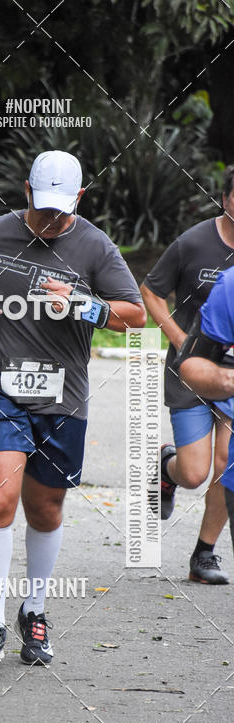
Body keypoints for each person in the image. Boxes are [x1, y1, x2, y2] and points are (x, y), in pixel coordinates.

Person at [0, 149, 145, 665]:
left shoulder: (96, 247)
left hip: (64, 400)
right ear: (27, 192)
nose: (51, 219)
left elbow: (135, 315)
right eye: (42, 207)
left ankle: (33, 612)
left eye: (62, 209)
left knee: (46, 508)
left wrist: (83, 303)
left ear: (78, 198)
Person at [141, 165, 234, 584]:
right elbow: (151, 291)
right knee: (196, 472)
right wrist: (179, 338)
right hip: (191, 368)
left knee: (226, 462)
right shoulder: (194, 242)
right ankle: (167, 467)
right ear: (226, 198)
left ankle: (205, 554)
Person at [178, 267, 234, 541]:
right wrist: (227, 379)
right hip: (207, 390)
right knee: (194, 473)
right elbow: (191, 363)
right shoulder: (231, 285)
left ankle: (204, 550)